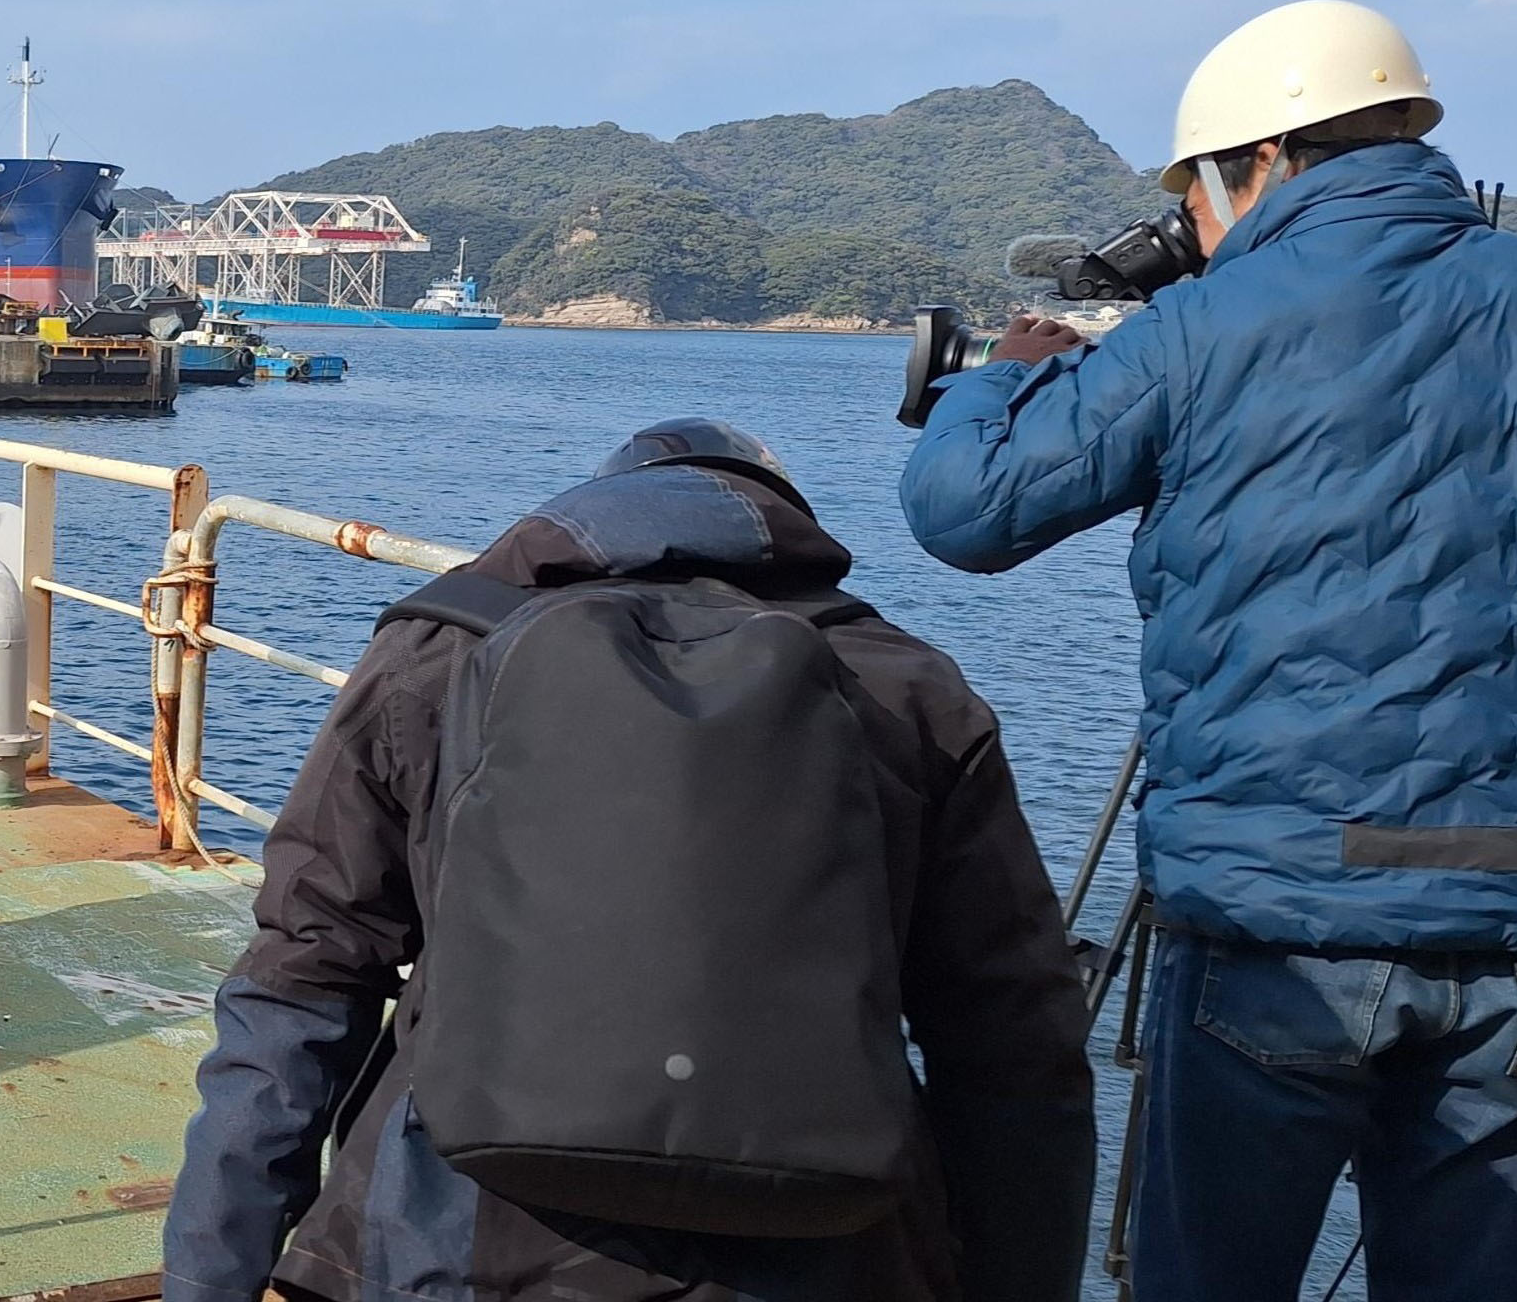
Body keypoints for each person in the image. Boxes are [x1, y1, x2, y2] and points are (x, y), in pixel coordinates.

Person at [900, 0, 1517, 1302]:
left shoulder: (1202, 327)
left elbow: (968, 511)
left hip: (1276, 921)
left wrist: (1001, 378)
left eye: (1193, 193)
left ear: (1259, 160)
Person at [163, 418, 1094, 1302]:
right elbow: (1016, 1049)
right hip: (824, 1249)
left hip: (450, 1244)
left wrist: (212, 1278)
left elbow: (303, 984)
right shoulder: (909, 687)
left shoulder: (436, 652)